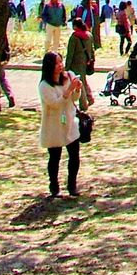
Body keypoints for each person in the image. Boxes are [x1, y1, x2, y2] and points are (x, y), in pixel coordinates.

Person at [38, 51, 83, 198]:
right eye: (57, 63)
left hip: (70, 121)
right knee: (55, 157)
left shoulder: (68, 76)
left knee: (74, 156)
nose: (60, 66)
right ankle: (54, 186)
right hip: (54, 125)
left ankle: (72, 185)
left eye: (61, 62)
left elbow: (74, 99)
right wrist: (68, 91)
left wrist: (77, 88)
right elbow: (55, 104)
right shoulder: (45, 86)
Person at [65, 18, 96, 110]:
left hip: (76, 64)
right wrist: (92, 60)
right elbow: (92, 49)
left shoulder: (74, 37)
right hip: (86, 62)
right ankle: (90, 98)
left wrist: (67, 67)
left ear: (75, 26)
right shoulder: (89, 35)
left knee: (79, 83)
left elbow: (70, 54)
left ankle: (83, 105)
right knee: (83, 80)